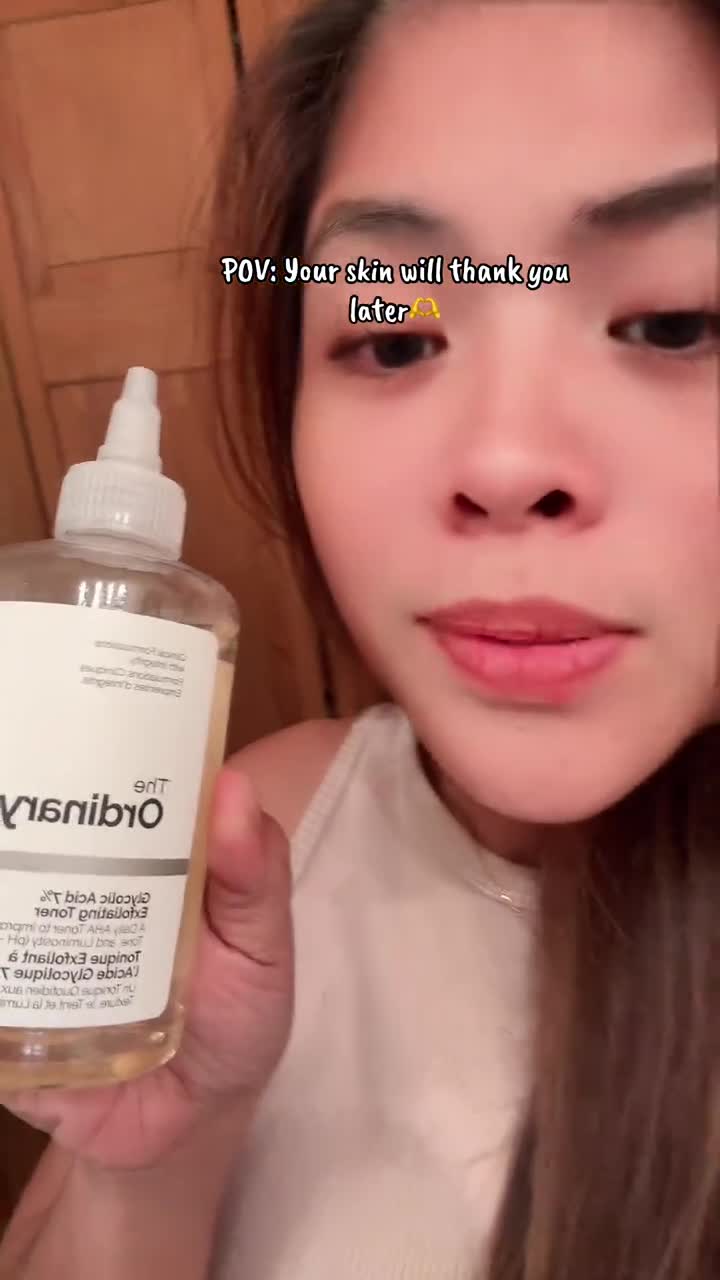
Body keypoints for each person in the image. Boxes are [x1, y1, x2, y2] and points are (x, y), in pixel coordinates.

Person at [1, 0, 719, 1276]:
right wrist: (158, 1154)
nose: (504, 460)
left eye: (676, 322)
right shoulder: (274, 827)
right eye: (391, 335)